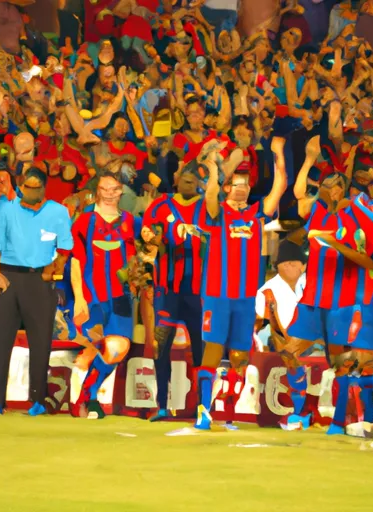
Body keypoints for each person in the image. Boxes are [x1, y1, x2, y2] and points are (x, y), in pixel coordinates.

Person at [195, 136, 287, 430]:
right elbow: (210, 198)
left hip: (245, 297)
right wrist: (212, 171)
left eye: (246, 184)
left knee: (239, 355)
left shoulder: (255, 213)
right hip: (217, 295)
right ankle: (203, 411)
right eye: (237, 183)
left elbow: (279, 189)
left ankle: (227, 412)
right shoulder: (218, 212)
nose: (243, 187)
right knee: (212, 348)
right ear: (227, 188)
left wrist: (278, 156)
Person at [0, 168, 73, 416]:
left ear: (44, 188)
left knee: (41, 342)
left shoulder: (58, 212)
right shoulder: (6, 208)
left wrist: (55, 273)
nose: (30, 192)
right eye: (26, 187)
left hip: (40, 278)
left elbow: (65, 249)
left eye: (35, 188)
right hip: (7, 276)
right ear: (20, 186)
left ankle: (38, 399)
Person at [71, 169, 141, 419]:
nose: (110, 195)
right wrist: (79, 297)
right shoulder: (84, 221)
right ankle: (87, 399)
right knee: (97, 345)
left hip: (122, 297)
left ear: (122, 191)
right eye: (105, 189)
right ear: (96, 191)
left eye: (115, 189)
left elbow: (144, 251)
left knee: (118, 349)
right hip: (92, 298)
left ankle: (85, 394)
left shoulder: (132, 222)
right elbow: (76, 262)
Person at [142, 165, 206, 421]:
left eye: (194, 182)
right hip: (167, 289)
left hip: (199, 291)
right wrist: (153, 238)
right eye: (185, 180)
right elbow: (146, 233)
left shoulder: (209, 207)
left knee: (201, 350)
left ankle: (203, 406)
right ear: (177, 179)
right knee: (161, 346)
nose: (188, 186)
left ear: (200, 184)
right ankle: (161, 405)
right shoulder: (160, 205)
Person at [254, 239, 309, 427]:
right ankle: (299, 411)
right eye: (286, 263)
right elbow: (258, 324)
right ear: (278, 267)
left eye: (295, 263)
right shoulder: (268, 290)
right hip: (282, 344)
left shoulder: (311, 285)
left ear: (303, 266)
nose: (291, 267)